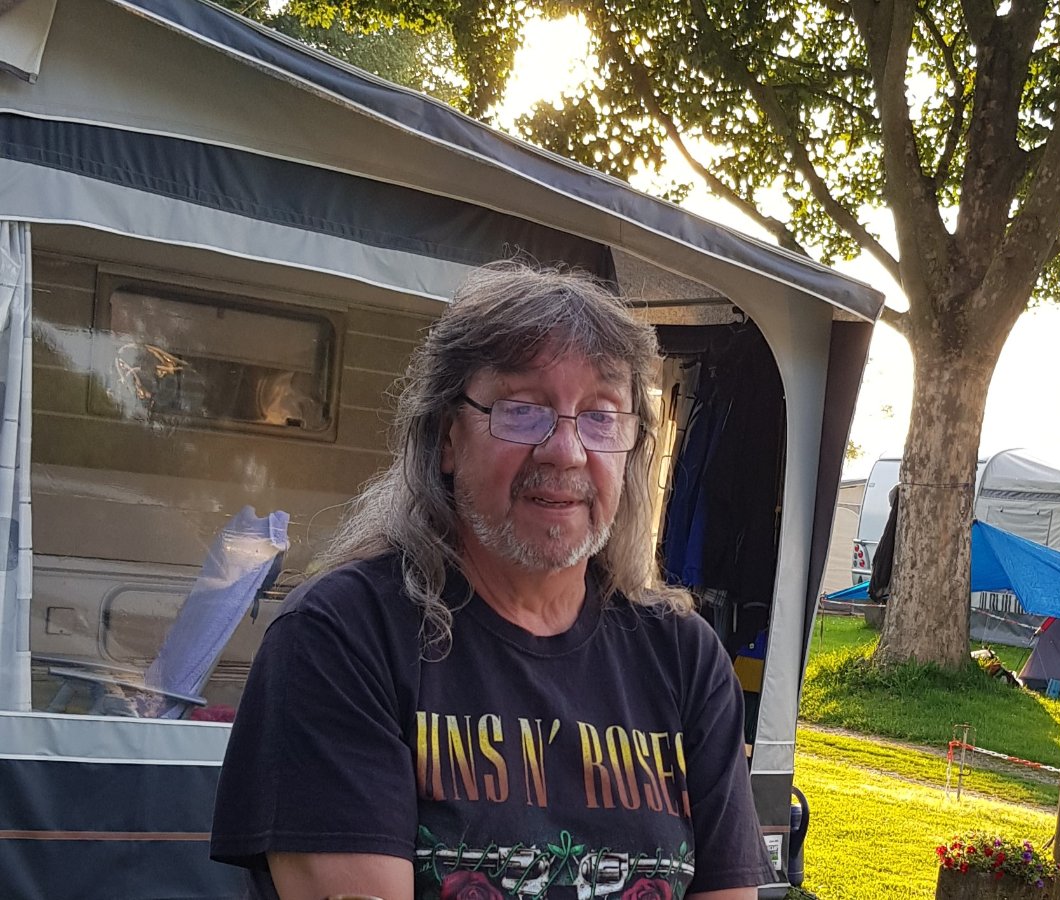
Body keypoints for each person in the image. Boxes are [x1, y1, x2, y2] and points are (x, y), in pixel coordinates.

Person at [210, 262, 776, 900]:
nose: (566, 451)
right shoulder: (341, 637)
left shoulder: (685, 658)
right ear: (448, 437)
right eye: (523, 410)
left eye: (600, 416)